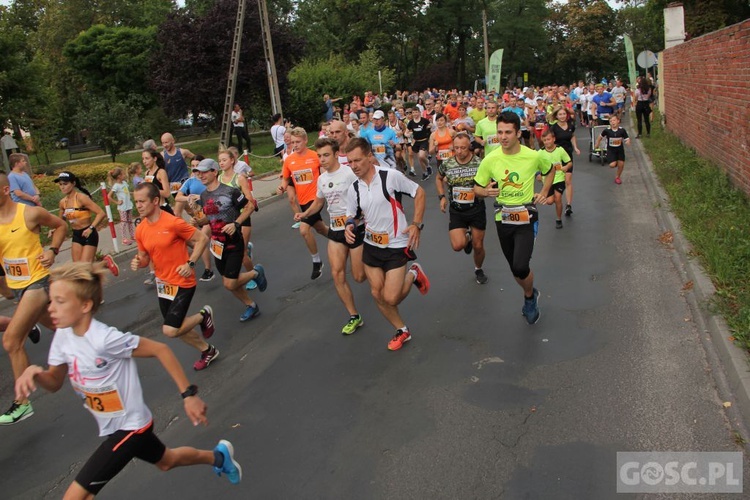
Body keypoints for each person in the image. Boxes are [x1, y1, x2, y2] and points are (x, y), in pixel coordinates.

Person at [15, 262, 242, 498]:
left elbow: (160, 350)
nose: (51, 308)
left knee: (75, 496)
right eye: (51, 300)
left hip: (131, 427)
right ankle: (219, 457)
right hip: (113, 426)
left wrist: (189, 395)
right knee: (167, 460)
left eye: (60, 301)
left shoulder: (103, 339)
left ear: (85, 305)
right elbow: (53, 383)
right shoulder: (63, 336)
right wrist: (35, 373)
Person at [344, 138, 430, 351]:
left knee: (391, 297)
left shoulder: (390, 177)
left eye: (357, 160)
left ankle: (414, 273)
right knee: (376, 293)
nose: (353, 166)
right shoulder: (354, 188)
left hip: (396, 243)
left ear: (369, 156)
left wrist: (416, 224)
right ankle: (402, 330)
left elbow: (419, 192)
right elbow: (352, 215)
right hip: (371, 244)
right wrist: (348, 225)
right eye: (350, 162)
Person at [473, 111, 554, 325]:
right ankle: (531, 291)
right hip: (503, 218)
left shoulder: (533, 155)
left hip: (527, 216)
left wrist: (545, 191)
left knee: (520, 266)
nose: (503, 136)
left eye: (508, 132)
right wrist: (485, 192)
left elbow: (551, 169)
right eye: (500, 132)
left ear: (518, 133)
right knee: (515, 269)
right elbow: (476, 188)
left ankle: (529, 299)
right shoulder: (490, 159)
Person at [0, 170, 67, 425]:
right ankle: (105, 349)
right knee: (64, 329)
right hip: (17, 287)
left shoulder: (28, 213)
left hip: (37, 283)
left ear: (5, 190)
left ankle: (22, 403)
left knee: (11, 341)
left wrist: (53, 250)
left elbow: (60, 225)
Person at [130, 182, 220, 371]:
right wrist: (139, 262)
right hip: (163, 284)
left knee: (170, 329)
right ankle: (207, 350)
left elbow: (202, 239)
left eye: (141, 201)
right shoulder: (140, 229)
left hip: (182, 281)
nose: (137, 205)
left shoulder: (172, 222)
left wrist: (191, 263)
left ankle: (203, 315)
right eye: (135, 201)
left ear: (155, 201)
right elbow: (146, 258)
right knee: (178, 328)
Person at [295, 138, 366, 335]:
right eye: (319, 156)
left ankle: (381, 271)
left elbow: (365, 193)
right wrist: (305, 214)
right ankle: (354, 316)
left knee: (360, 277)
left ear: (336, 154)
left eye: (326, 155)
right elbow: (319, 203)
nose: (322, 159)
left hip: (355, 228)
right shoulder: (322, 178)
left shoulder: (349, 173)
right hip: (336, 230)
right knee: (337, 273)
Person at [195, 159, 268, 321]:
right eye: (199, 172)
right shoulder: (203, 195)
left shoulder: (230, 191)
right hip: (217, 245)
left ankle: (255, 272)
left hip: (234, 242)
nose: (201, 175)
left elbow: (249, 206)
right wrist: (199, 222)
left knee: (229, 283)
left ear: (214, 172)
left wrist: (236, 223)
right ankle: (251, 306)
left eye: (205, 172)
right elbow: (210, 218)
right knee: (230, 283)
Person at [276, 127, 330, 280]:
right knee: (320, 228)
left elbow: (325, 171)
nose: (295, 145)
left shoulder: (315, 156)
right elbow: (286, 178)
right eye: (293, 142)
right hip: (303, 199)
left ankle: (317, 262)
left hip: (316, 199)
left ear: (306, 141)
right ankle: (338, 237)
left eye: (298, 142)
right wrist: (282, 186)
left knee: (304, 230)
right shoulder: (289, 160)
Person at [435, 133, 489, 284]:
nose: (459, 151)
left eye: (463, 148)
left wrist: (486, 189)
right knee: (458, 246)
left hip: (476, 208)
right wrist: (442, 197)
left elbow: (488, 182)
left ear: (470, 147)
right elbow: (439, 178)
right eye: (456, 148)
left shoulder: (479, 163)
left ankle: (478, 269)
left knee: (478, 246)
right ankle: (467, 238)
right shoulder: (448, 163)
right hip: (457, 209)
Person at [54, 172, 106, 264]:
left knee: (85, 267)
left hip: (88, 234)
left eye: (65, 184)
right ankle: (103, 262)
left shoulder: (81, 198)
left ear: (73, 183)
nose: (62, 187)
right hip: (76, 235)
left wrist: (91, 228)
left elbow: (101, 213)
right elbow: (61, 222)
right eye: (60, 184)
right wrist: (54, 229)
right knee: (78, 267)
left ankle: (105, 263)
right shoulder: (62, 202)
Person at [547, 107, 580, 216]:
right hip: (557, 157)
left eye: (563, 114)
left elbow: (572, 136)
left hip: (568, 156)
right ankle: (556, 197)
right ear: (556, 116)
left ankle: (569, 205)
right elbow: (550, 141)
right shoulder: (553, 128)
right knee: (559, 179)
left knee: (568, 180)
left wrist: (575, 147)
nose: (562, 116)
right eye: (560, 114)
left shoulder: (570, 126)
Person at [537, 129, 572, 229]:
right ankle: (556, 207)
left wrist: (566, 167)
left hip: (559, 178)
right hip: (547, 180)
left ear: (553, 139)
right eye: (545, 140)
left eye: (548, 139)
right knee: (549, 201)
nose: (547, 142)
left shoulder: (560, 149)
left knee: (558, 197)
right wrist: (538, 174)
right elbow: (535, 167)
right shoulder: (540, 153)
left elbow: (569, 162)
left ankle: (558, 219)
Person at [595, 114, 631, 184]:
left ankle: (617, 177)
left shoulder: (622, 130)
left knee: (621, 164)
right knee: (612, 165)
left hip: (620, 150)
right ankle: (615, 161)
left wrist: (628, 142)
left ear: (618, 121)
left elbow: (627, 138)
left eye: (614, 120)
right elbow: (600, 137)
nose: (612, 122)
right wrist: (597, 143)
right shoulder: (607, 131)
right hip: (611, 150)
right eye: (610, 121)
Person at [405, 108, 432, 180]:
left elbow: (431, 125)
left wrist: (429, 128)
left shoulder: (424, 120)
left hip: (424, 140)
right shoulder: (411, 122)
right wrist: (408, 134)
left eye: (416, 112)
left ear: (419, 113)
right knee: (420, 159)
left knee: (421, 156)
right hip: (416, 142)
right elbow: (406, 132)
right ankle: (425, 172)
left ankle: (428, 165)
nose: (415, 114)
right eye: (413, 113)